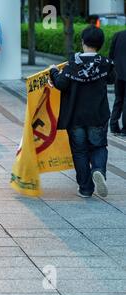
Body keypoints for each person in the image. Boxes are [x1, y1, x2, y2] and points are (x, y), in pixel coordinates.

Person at [49, 26, 115, 199]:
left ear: (83, 42)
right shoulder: (105, 63)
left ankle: (85, 188)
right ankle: (98, 170)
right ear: (100, 44)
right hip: (97, 115)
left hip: (76, 116)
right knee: (99, 146)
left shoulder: (73, 64)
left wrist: (53, 71)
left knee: (80, 151)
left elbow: (61, 84)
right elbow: (112, 78)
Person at [109, 29, 126, 136]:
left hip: (118, 73)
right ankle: (125, 129)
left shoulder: (118, 34)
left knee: (118, 99)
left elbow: (111, 54)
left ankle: (114, 126)